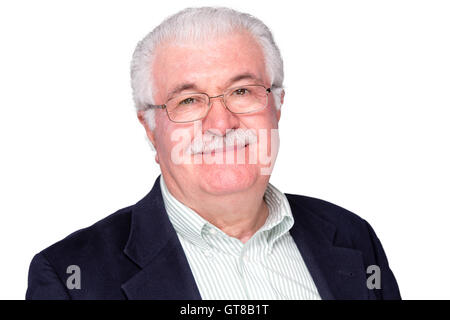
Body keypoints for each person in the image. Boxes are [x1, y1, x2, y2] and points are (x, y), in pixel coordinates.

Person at [26, 6, 401, 300]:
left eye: (242, 91)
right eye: (188, 101)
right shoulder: (70, 276)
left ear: (278, 106)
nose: (221, 125)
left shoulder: (353, 238)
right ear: (150, 129)